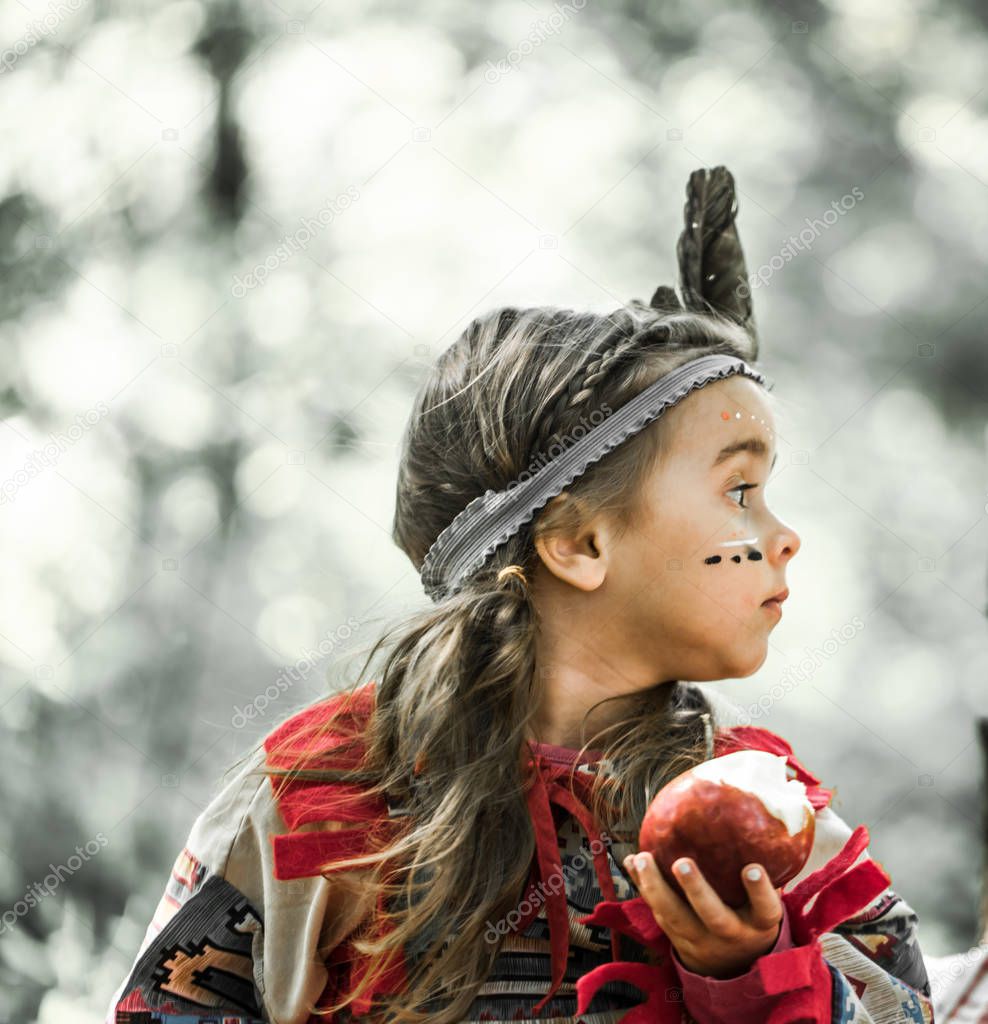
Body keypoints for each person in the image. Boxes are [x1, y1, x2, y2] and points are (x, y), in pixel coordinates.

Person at [105, 167, 935, 1024]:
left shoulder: (770, 814)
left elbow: (911, 1012)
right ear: (580, 543)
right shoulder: (319, 794)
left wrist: (748, 972)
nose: (784, 534)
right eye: (738, 492)